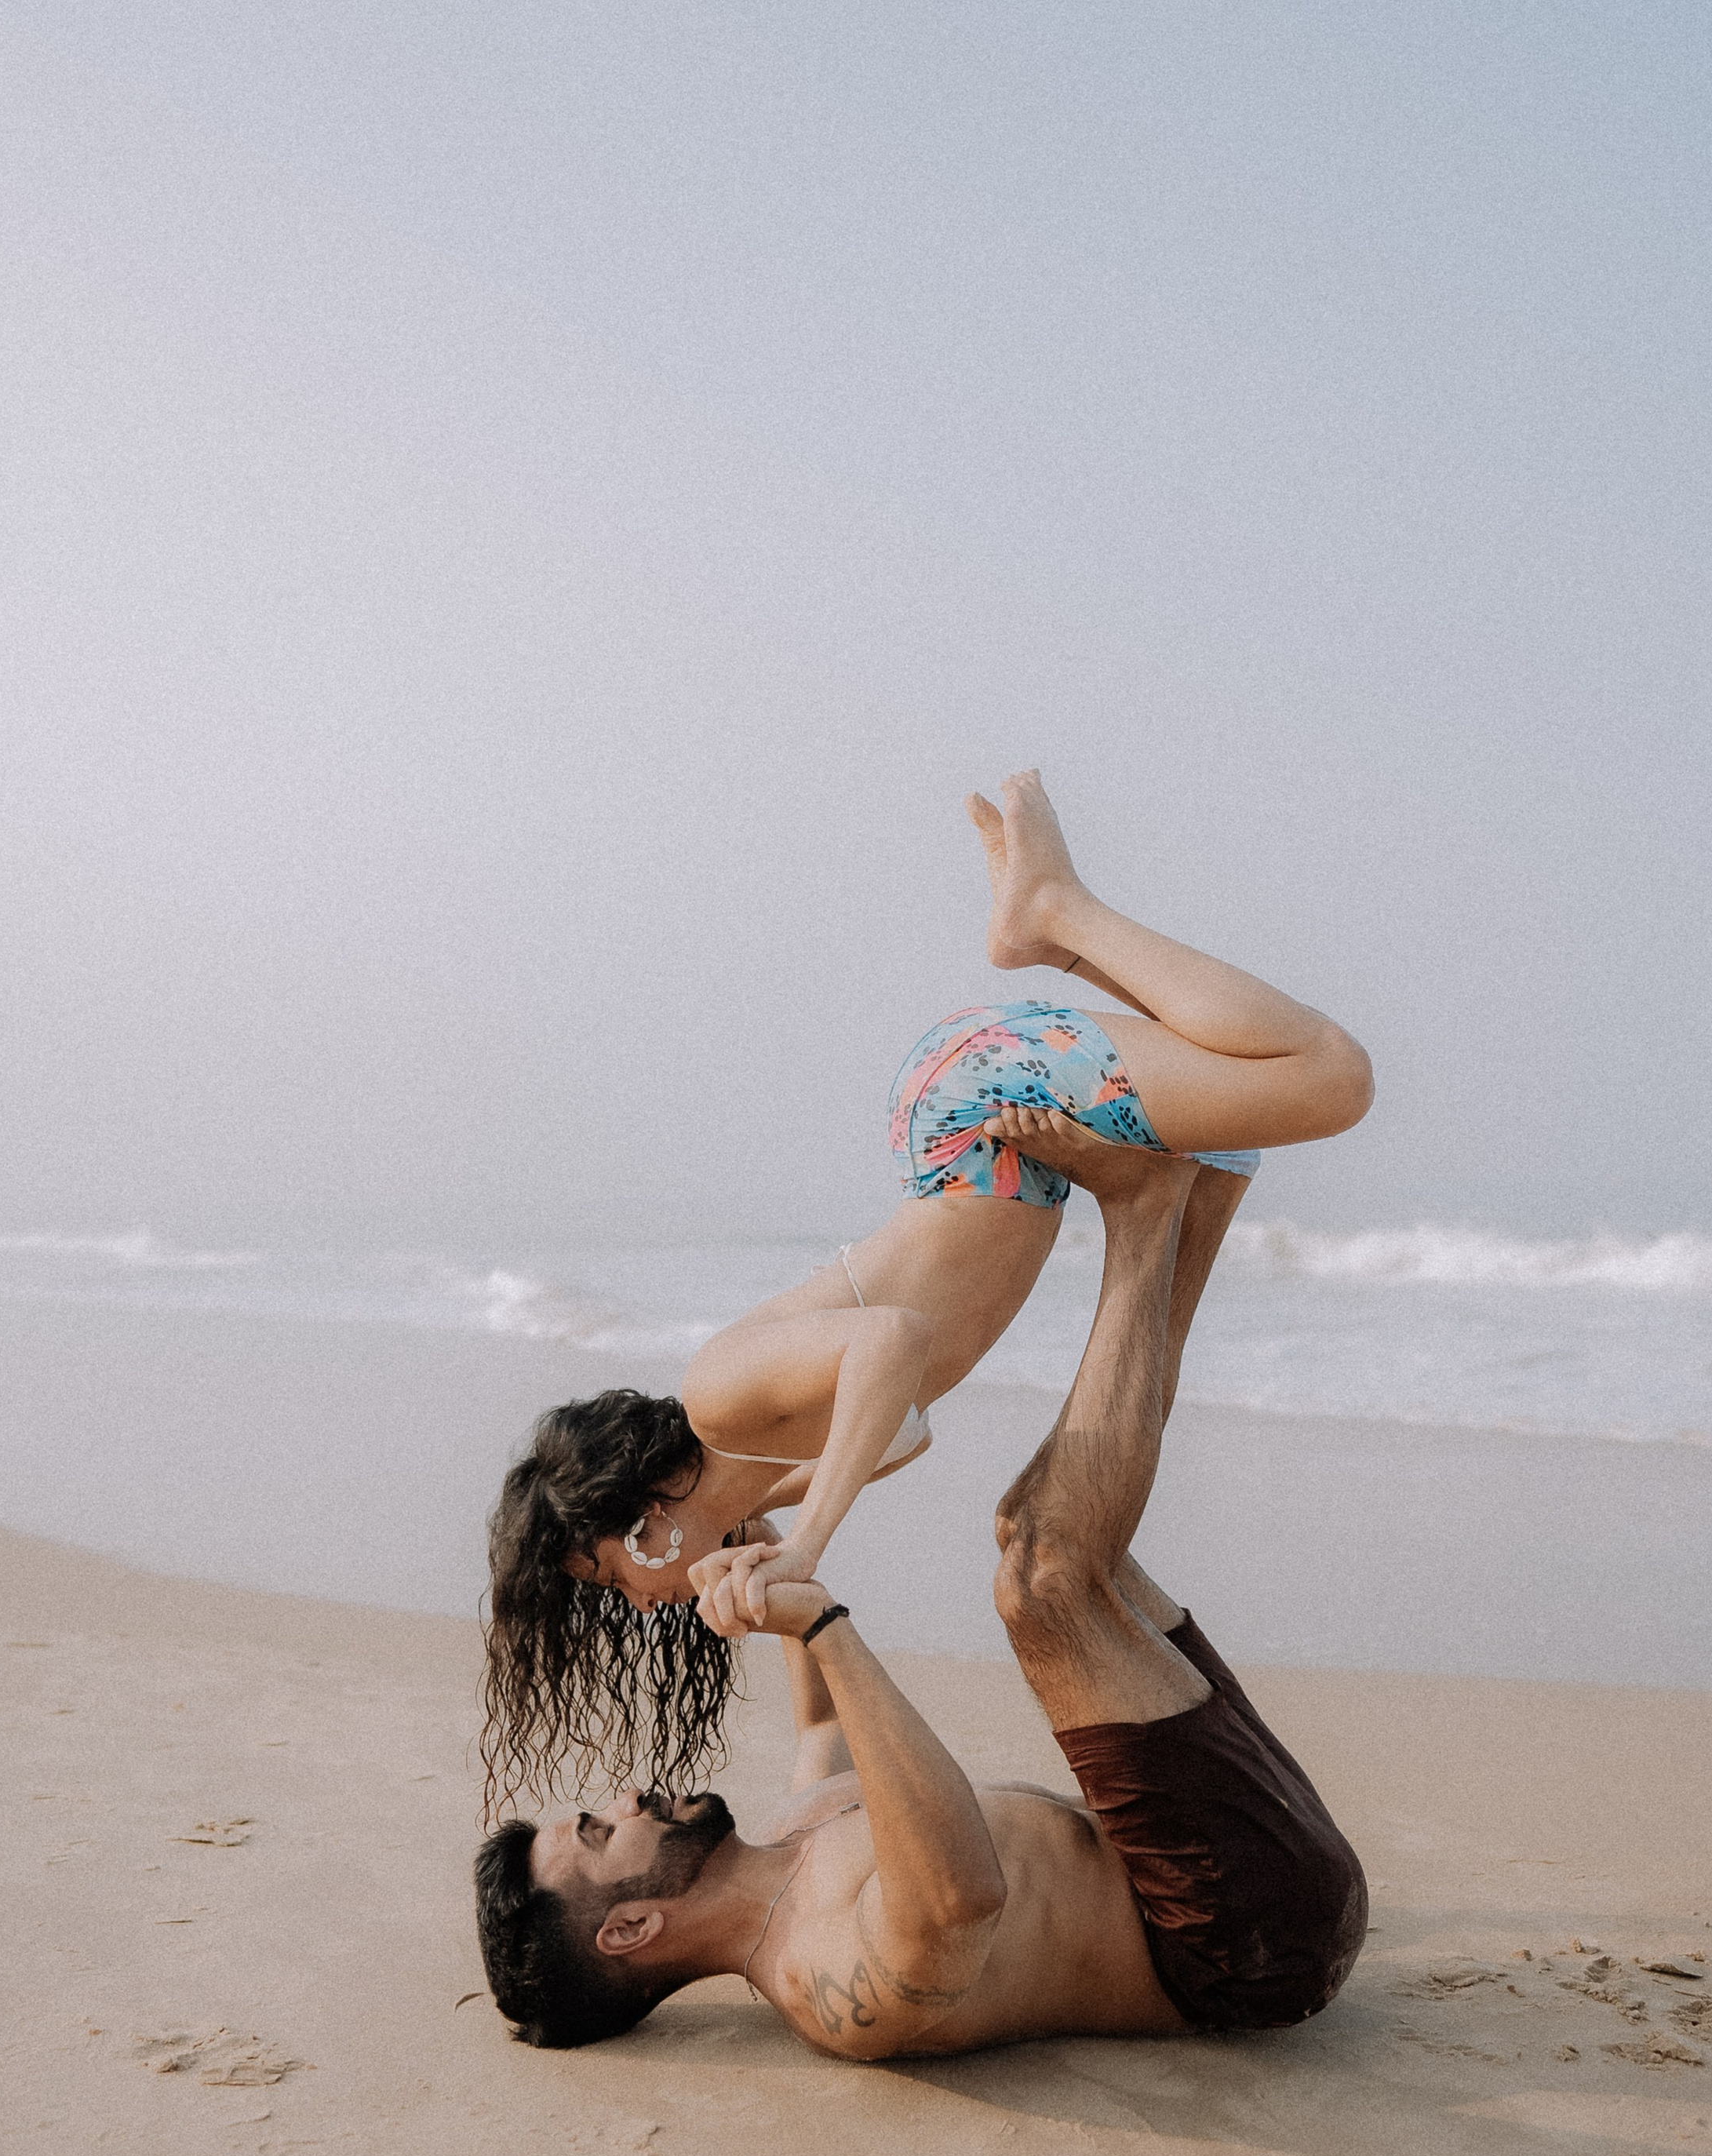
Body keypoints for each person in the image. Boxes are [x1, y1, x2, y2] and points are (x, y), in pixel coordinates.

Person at [481, 771, 1372, 1806]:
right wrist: (767, 1533)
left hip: (973, 1113)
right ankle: (1049, 925)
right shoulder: (758, 1470)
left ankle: (1054, 912)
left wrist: (809, 1541)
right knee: (1238, 1123)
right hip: (1012, 1151)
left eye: (609, 1578)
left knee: (1329, 1078)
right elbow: (903, 1433)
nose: (638, 1606)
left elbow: (894, 1341)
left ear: (640, 1522)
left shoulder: (717, 1394)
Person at [475, 1112, 1368, 2056]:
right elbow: (960, 1898)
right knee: (1044, 1576)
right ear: (628, 1929)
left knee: (1040, 1532)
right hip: (1242, 1941)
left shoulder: (792, 1827)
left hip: (1224, 1850)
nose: (623, 1797)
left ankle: (1204, 1186)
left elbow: (824, 1726)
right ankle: (1145, 1208)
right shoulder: (824, 1981)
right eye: (599, 1830)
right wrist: (824, 1627)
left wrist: (746, 1538)